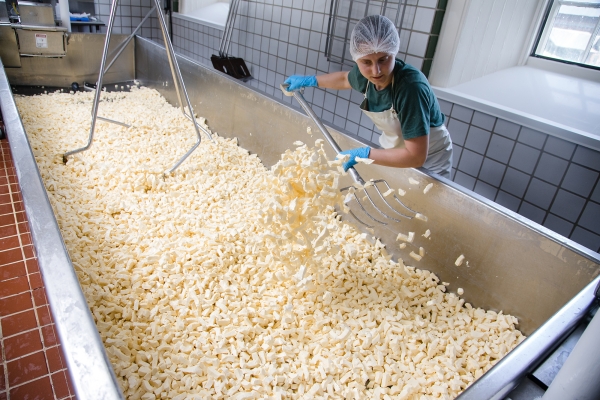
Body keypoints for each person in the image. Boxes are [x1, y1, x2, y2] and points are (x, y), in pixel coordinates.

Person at [284, 15, 453, 179]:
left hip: (429, 162)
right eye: (366, 62)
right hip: (396, 149)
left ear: (393, 52)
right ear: (356, 59)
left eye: (383, 59)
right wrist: (310, 80)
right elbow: (344, 79)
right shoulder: (364, 75)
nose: (376, 71)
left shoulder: (410, 88)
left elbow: (416, 157)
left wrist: (365, 153)